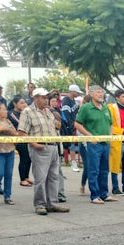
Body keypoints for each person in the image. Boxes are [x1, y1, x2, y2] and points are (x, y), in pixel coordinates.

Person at [19, 88, 71, 216]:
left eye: (46, 97)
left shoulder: (48, 111)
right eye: (43, 97)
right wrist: (34, 144)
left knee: (54, 177)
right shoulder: (27, 112)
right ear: (36, 98)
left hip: (53, 146)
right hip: (40, 148)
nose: (46, 99)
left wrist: (57, 124)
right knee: (40, 178)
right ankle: (40, 204)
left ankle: (52, 203)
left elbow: (55, 127)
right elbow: (21, 133)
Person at [74, 85, 114, 204]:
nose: (101, 94)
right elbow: (77, 124)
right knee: (94, 170)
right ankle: (94, 195)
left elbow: (110, 123)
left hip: (105, 143)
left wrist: (110, 136)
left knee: (104, 170)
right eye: (98, 92)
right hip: (93, 144)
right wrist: (89, 136)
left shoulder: (106, 108)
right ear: (91, 94)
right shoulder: (86, 108)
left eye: (102, 92)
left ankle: (104, 194)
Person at [8, 97, 33, 187]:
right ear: (15, 104)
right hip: (18, 138)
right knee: (24, 157)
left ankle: (26, 177)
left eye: (25, 103)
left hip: (27, 137)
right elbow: (20, 125)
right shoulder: (12, 114)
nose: (24, 104)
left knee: (29, 158)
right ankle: (22, 179)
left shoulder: (26, 113)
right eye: (21, 103)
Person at [61, 84, 82, 172]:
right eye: (76, 92)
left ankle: (75, 162)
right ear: (72, 91)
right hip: (68, 126)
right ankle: (73, 162)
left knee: (75, 143)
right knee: (71, 145)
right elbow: (65, 115)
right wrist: (70, 125)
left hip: (74, 124)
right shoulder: (66, 100)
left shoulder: (74, 101)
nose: (78, 94)